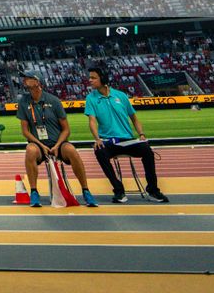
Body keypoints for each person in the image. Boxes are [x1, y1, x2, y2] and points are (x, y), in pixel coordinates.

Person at [84, 66, 168, 203]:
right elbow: (92, 121)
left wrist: (141, 135)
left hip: (128, 140)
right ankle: (119, 190)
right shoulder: (91, 98)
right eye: (90, 77)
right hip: (109, 141)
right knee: (99, 151)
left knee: (147, 150)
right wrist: (97, 139)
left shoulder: (121, 96)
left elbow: (134, 118)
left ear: (103, 79)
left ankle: (153, 190)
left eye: (93, 78)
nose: (90, 80)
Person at [17, 74, 97, 207]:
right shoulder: (24, 102)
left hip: (58, 144)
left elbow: (66, 129)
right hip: (38, 146)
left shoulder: (53, 100)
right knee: (30, 150)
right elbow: (25, 131)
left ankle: (86, 190)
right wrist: (41, 145)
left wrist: (58, 145)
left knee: (71, 150)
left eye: (28, 77)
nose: (24, 80)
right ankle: (34, 192)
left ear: (37, 81)